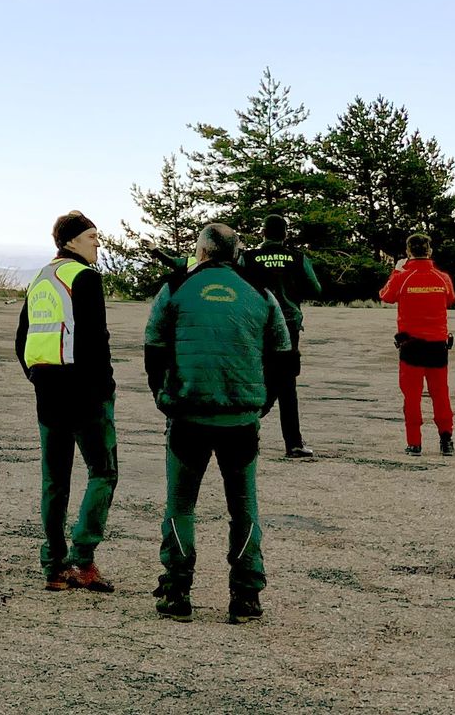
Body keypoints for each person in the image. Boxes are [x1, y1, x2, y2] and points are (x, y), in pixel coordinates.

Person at [144, 223, 291, 624]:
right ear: (236, 252)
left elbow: (153, 346)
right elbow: (282, 351)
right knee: (244, 507)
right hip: (241, 419)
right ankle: (246, 596)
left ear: (202, 252)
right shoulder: (260, 293)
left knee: (181, 505)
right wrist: (264, 402)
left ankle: (176, 591)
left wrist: (163, 395)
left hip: (187, 416)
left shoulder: (175, 289)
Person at [15, 211, 118, 593]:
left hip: (48, 391)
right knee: (103, 472)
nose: (97, 244)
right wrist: (105, 388)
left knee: (55, 482)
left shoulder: (40, 278)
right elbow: (96, 338)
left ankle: (55, 566)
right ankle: (84, 558)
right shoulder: (85, 278)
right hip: (85, 393)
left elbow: (22, 337)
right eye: (92, 236)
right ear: (72, 241)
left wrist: (37, 376)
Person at [241, 214, 323, 458]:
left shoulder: (249, 258)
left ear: (263, 232)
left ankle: (246, 432)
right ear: (285, 234)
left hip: (257, 325)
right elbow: (316, 289)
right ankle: (294, 442)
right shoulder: (297, 258)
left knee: (256, 378)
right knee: (287, 384)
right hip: (288, 325)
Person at [379, 232, 455, 457]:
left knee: (411, 397)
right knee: (440, 394)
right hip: (438, 345)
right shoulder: (442, 278)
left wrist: (397, 270)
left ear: (408, 252)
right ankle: (446, 440)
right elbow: (450, 299)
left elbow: (385, 296)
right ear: (430, 251)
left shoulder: (403, 277)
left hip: (411, 345)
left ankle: (414, 443)